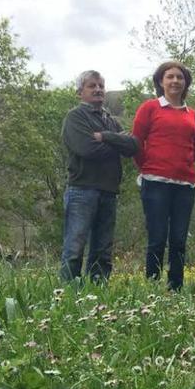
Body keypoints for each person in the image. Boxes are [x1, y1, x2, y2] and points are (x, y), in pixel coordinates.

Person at [60, 70, 138, 285]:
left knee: (103, 249)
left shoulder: (110, 121)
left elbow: (133, 146)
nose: (98, 90)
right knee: (75, 247)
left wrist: (105, 136)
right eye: (92, 86)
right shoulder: (75, 117)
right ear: (80, 92)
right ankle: (68, 294)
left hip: (109, 191)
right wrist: (117, 142)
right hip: (82, 190)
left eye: (101, 86)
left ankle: (98, 292)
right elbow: (87, 149)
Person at [132, 61, 195, 291]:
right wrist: (148, 167)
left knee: (179, 240)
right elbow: (136, 142)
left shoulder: (192, 114)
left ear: (185, 83)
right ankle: (153, 288)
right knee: (157, 238)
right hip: (155, 183)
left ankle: (175, 288)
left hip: (185, 185)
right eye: (170, 77)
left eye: (180, 77)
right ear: (161, 82)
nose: (175, 81)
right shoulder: (150, 108)